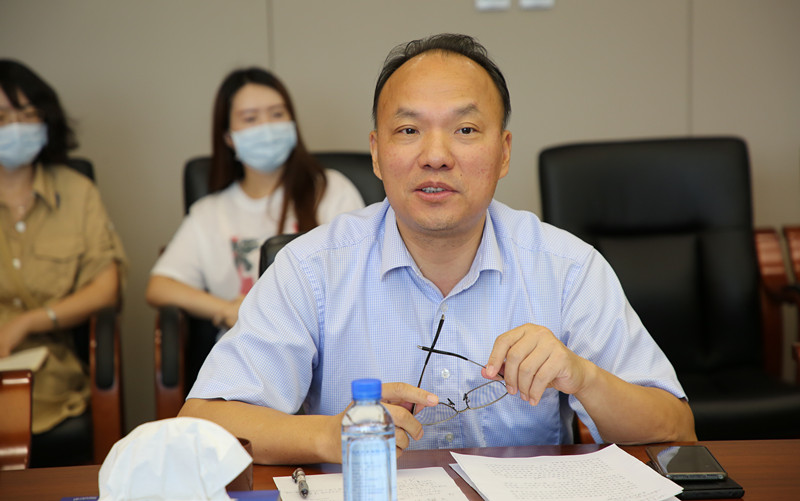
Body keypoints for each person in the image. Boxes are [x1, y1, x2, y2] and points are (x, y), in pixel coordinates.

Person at [180, 34, 696, 465]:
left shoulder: (567, 268)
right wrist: (326, 435)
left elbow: (676, 428)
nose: (435, 156)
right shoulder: (311, 268)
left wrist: (583, 377)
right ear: (377, 154)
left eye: (465, 130)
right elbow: (201, 423)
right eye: (408, 130)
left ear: (504, 153)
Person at [145, 67, 364, 330]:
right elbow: (160, 286)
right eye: (250, 118)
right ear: (228, 137)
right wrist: (227, 310)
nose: (267, 127)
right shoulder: (209, 213)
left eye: (277, 114)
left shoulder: (330, 189)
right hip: (244, 348)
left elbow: (361, 273)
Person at [0, 59, 127, 437]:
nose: (16, 127)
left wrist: (27, 323)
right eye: (2, 117)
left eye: (27, 114)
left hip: (49, 369)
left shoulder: (76, 192)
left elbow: (106, 289)